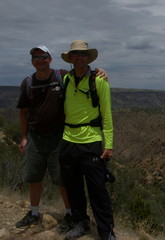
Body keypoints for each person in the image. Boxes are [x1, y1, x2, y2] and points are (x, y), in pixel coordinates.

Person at [15, 45, 108, 230]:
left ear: (50, 59)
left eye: (43, 56)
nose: (39, 60)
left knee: (63, 179)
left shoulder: (62, 77)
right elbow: (23, 112)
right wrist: (24, 137)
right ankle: (34, 212)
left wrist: (99, 71)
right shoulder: (27, 83)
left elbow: (82, 72)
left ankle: (69, 214)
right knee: (34, 177)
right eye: (35, 57)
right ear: (32, 61)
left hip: (60, 138)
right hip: (35, 138)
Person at [59, 40, 115, 240]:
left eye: (82, 54)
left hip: (91, 141)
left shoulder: (99, 81)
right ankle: (81, 222)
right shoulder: (66, 79)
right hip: (67, 140)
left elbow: (107, 115)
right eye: (74, 54)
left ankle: (106, 231)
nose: (78, 57)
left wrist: (108, 144)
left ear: (87, 58)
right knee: (73, 187)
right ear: (70, 58)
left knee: (97, 190)